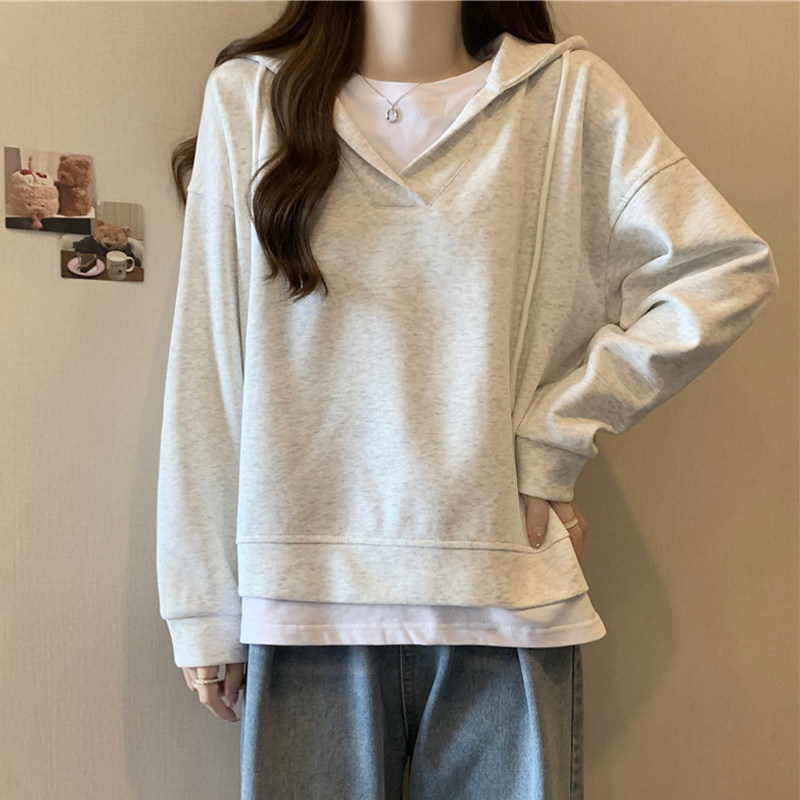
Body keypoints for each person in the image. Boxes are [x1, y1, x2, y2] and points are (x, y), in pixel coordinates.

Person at [156, 2, 779, 798]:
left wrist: (556, 433)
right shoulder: (252, 98)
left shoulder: (568, 97)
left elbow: (724, 270)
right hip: (305, 599)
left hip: (506, 598)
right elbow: (209, 359)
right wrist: (201, 605)